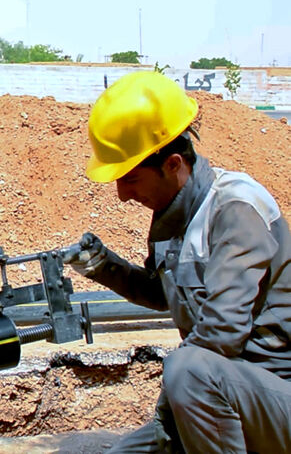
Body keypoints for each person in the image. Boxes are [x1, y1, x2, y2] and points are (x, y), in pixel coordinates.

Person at [63, 71, 291, 453]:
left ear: (172, 164)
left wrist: (172, 405)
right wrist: (103, 266)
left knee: (186, 371)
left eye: (131, 179)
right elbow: (164, 292)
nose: (121, 195)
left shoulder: (235, 207)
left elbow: (221, 333)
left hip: (273, 393)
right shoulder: (177, 213)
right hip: (224, 395)